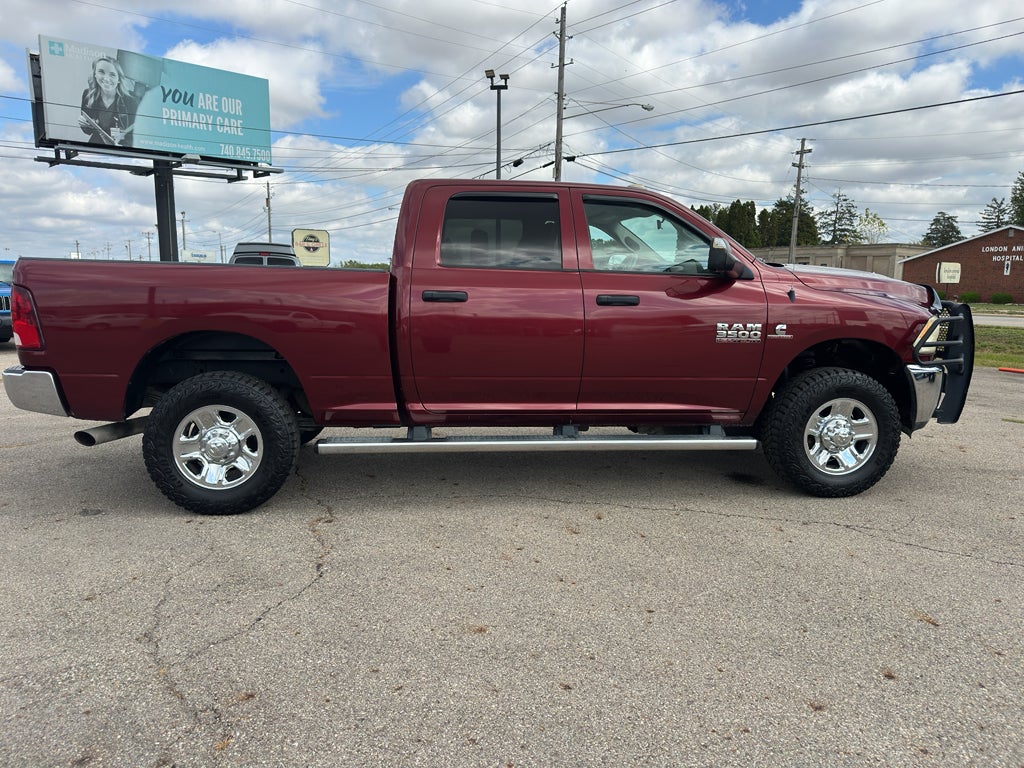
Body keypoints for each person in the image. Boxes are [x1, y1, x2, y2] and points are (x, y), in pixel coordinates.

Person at [78, 56, 138, 147]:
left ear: (118, 79)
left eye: (112, 74)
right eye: (101, 72)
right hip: (96, 147)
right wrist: (84, 125)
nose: (106, 78)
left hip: (121, 150)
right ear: (95, 74)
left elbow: (137, 134)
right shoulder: (88, 95)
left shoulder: (131, 101)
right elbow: (88, 132)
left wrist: (125, 147)